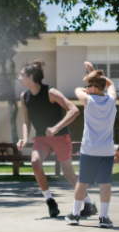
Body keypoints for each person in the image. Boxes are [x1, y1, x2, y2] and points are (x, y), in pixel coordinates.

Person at [17, 60, 97, 218]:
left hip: (60, 136)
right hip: (42, 137)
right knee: (35, 162)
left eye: (21, 75)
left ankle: (89, 203)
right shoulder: (23, 96)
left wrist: (56, 128)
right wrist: (24, 138)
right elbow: (26, 121)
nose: (19, 78)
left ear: (31, 77)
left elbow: (73, 110)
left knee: (67, 172)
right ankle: (50, 201)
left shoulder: (50, 92)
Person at [67, 62, 118, 228]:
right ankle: (103, 217)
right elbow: (110, 85)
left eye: (88, 85)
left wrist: (90, 78)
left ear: (94, 88)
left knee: (83, 181)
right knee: (105, 183)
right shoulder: (112, 100)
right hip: (106, 150)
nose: (86, 88)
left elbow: (77, 91)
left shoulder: (88, 100)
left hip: (89, 149)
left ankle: (74, 215)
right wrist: (95, 74)